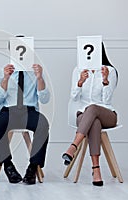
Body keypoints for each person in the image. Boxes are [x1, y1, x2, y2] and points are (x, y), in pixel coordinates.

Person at [0, 36, 50, 185]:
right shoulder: (1, 72)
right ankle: (8, 165)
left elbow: (44, 99)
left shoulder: (35, 72)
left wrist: (40, 78)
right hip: (8, 111)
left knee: (42, 123)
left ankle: (33, 167)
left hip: (28, 111)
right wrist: (5, 79)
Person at [62, 43, 118, 187]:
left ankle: (73, 146)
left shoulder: (109, 70)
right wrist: (80, 82)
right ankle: (96, 169)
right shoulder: (78, 70)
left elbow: (107, 100)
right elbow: (74, 97)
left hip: (107, 114)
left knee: (93, 108)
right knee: (94, 122)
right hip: (84, 115)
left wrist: (105, 80)